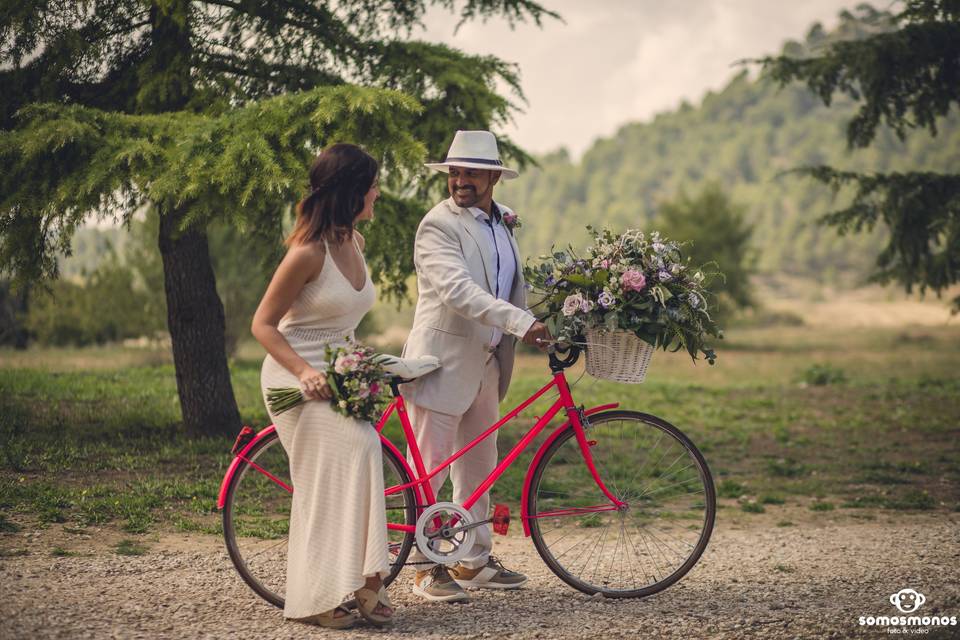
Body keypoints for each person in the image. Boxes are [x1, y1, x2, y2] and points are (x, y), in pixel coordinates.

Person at [401, 130, 552, 602]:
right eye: (454, 172)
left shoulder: (501, 223)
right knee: (429, 469)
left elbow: (509, 285)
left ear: (492, 176)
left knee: (479, 468)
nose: (460, 180)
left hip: (487, 363)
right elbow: (459, 292)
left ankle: (474, 560)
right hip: (441, 363)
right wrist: (520, 323)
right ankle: (425, 567)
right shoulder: (437, 226)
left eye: (469, 172)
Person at [252, 143, 394, 629]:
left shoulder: (354, 241)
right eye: (372, 185)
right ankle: (323, 596)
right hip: (296, 379)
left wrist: (367, 363)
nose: (378, 192)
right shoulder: (306, 253)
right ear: (351, 191)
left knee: (363, 454)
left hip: (339, 375)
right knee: (356, 450)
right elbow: (264, 325)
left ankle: (365, 579)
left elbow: (341, 323)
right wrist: (304, 372)